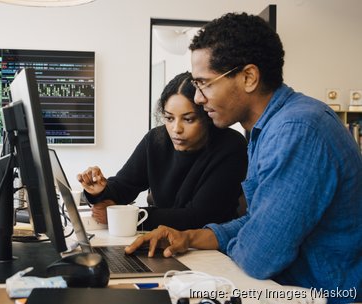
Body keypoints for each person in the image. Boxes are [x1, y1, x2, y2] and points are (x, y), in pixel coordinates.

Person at [125, 12, 362, 303]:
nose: (198, 98)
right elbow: (257, 220)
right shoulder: (268, 129)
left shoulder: (297, 131)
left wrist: (247, 239)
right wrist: (188, 237)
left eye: (204, 84)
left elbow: (260, 257)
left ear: (248, 77)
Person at [77, 72, 248, 231]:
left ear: (207, 117)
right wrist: (99, 191)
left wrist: (126, 217)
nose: (176, 129)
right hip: (164, 240)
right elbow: (124, 186)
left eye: (188, 119)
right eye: (169, 118)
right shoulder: (156, 139)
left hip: (211, 250)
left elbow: (200, 217)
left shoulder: (231, 146)